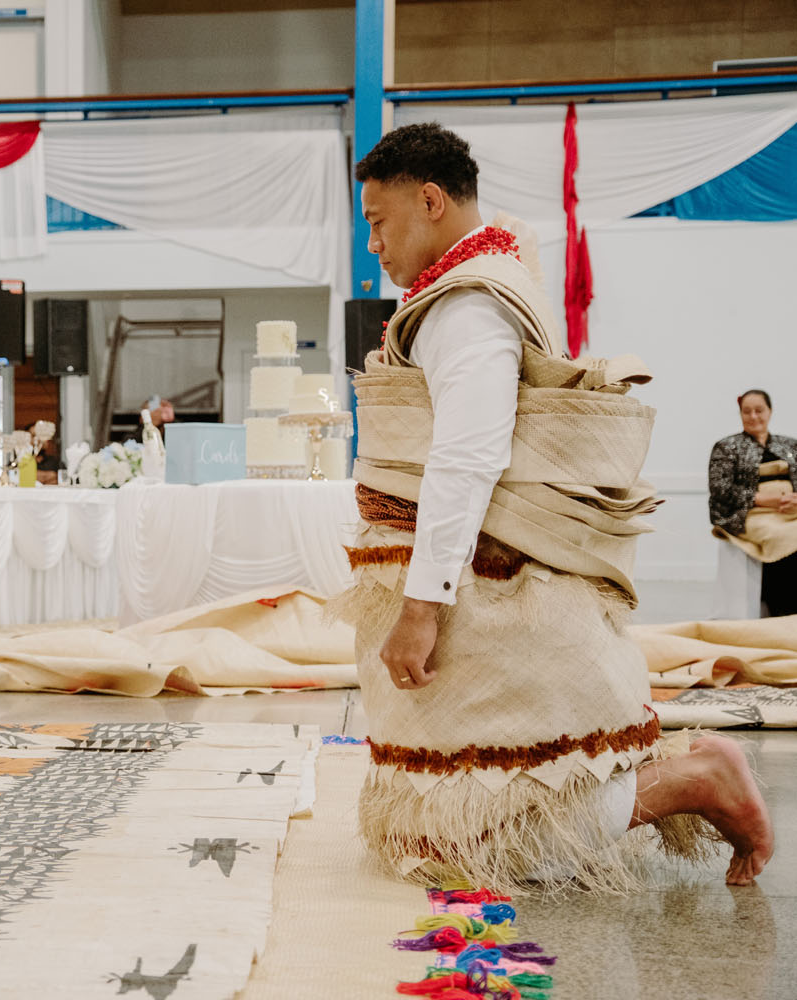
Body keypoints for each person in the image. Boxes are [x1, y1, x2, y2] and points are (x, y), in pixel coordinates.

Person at [340, 122, 771, 890]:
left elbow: (468, 456)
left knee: (478, 841)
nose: (372, 242)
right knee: (439, 819)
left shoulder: (468, 308)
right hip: (479, 580)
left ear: (430, 201)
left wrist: (421, 605)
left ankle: (696, 780)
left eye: (378, 220)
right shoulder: (477, 285)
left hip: (482, 589)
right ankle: (694, 774)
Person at [709, 389, 797, 616]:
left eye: (759, 410)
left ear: (770, 411)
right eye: (747, 411)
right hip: (749, 514)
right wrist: (766, 500)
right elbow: (721, 490)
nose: (753, 416)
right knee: (783, 537)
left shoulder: (790, 446)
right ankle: (781, 609)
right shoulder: (726, 447)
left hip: (790, 510)